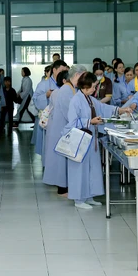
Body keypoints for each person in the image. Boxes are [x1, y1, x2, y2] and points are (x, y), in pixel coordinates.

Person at [64, 72, 132, 209]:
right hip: (80, 140)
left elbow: (103, 108)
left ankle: (89, 196)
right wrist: (90, 121)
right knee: (80, 170)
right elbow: (72, 122)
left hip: (91, 140)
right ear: (85, 86)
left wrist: (121, 110)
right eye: (93, 86)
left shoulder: (90, 99)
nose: (95, 89)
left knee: (92, 169)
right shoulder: (76, 100)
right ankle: (79, 199)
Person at [42, 66, 86, 196]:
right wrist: (85, 121)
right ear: (77, 75)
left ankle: (64, 186)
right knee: (61, 159)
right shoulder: (66, 90)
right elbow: (70, 113)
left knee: (62, 159)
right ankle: (62, 188)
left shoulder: (71, 88)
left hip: (61, 127)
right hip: (61, 128)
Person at [33, 60, 69, 160]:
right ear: (54, 70)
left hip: (63, 119)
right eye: (61, 71)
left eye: (65, 71)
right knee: (48, 145)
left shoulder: (67, 84)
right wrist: (46, 95)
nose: (63, 73)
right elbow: (35, 99)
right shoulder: (44, 84)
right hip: (50, 119)